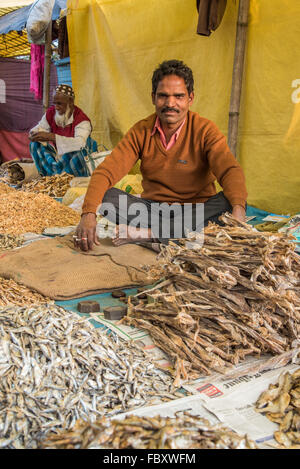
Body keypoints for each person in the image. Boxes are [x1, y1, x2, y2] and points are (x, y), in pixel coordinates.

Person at [74, 59, 247, 251]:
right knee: (106, 198)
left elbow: (229, 170)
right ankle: (172, 235)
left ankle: (147, 234)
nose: (170, 103)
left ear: (190, 98)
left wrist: (238, 212)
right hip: (152, 210)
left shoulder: (205, 130)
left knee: (231, 203)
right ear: (153, 97)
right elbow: (106, 171)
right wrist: (88, 214)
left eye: (179, 96)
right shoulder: (141, 131)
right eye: (163, 96)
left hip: (196, 210)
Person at [29, 84, 97, 176]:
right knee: (35, 144)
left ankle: (68, 176)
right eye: (55, 103)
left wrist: (52, 137)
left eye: (59, 104)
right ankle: (50, 175)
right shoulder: (51, 112)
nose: (56, 107)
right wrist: (34, 133)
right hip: (59, 158)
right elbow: (40, 126)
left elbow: (81, 143)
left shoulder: (82, 120)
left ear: (71, 102)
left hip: (75, 160)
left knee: (83, 146)